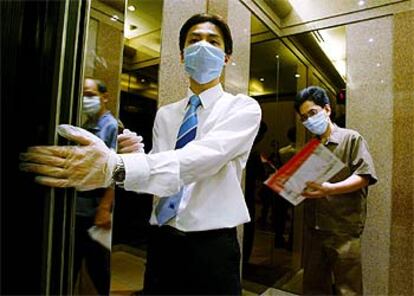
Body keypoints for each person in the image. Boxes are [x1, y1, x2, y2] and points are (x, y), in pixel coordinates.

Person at [20, 13, 262, 295]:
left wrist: (119, 166)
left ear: (226, 57)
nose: (203, 46)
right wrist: (137, 159)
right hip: (162, 239)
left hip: (212, 245)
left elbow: (201, 158)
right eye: (194, 41)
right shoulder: (166, 115)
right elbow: (164, 180)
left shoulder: (242, 108)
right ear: (183, 56)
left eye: (213, 41)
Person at [295, 86, 377, 295]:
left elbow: (365, 176)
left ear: (327, 110)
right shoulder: (310, 147)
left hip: (344, 229)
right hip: (314, 229)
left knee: (348, 288)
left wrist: (330, 189)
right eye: (304, 118)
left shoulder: (351, 139)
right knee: (313, 286)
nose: (309, 120)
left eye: (312, 113)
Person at [73, 78, 118, 295]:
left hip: (95, 209)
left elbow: (118, 172)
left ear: (105, 97)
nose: (85, 100)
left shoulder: (111, 127)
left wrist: (104, 207)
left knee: (98, 267)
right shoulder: (84, 126)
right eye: (83, 95)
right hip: (78, 208)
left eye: (90, 95)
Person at [243, 121, 267, 267]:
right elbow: (261, 175)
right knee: (248, 229)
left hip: (244, 194)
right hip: (248, 195)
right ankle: (244, 260)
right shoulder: (254, 153)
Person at [273, 127, 297, 249]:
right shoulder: (299, 151)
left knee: (281, 213)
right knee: (295, 215)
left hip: (283, 184)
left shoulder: (283, 151)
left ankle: (279, 237)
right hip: (296, 185)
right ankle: (292, 240)